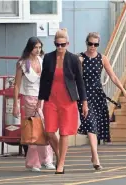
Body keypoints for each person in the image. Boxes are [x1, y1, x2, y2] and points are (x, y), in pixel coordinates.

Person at [77, 32, 126, 170]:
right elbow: (74, 78)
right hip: (84, 96)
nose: (93, 47)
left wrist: (124, 91)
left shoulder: (102, 59)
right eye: (90, 44)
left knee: (95, 127)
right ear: (86, 43)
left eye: (96, 44)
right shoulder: (80, 59)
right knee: (90, 124)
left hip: (98, 95)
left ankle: (94, 155)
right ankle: (96, 157)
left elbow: (112, 76)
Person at [38, 28, 89, 174]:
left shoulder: (73, 59)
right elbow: (44, 80)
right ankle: (60, 156)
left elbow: (80, 82)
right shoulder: (48, 58)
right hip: (51, 99)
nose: (60, 48)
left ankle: (60, 163)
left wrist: (84, 102)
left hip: (67, 100)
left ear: (68, 43)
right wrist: (39, 100)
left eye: (62, 45)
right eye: (57, 45)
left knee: (65, 133)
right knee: (49, 131)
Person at [13, 36, 55, 172]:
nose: (38, 50)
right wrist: (15, 105)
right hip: (29, 98)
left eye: (39, 47)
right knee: (35, 129)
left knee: (45, 129)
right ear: (30, 48)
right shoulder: (23, 63)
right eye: (35, 47)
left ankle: (41, 161)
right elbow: (17, 85)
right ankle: (40, 161)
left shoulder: (42, 61)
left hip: (43, 98)